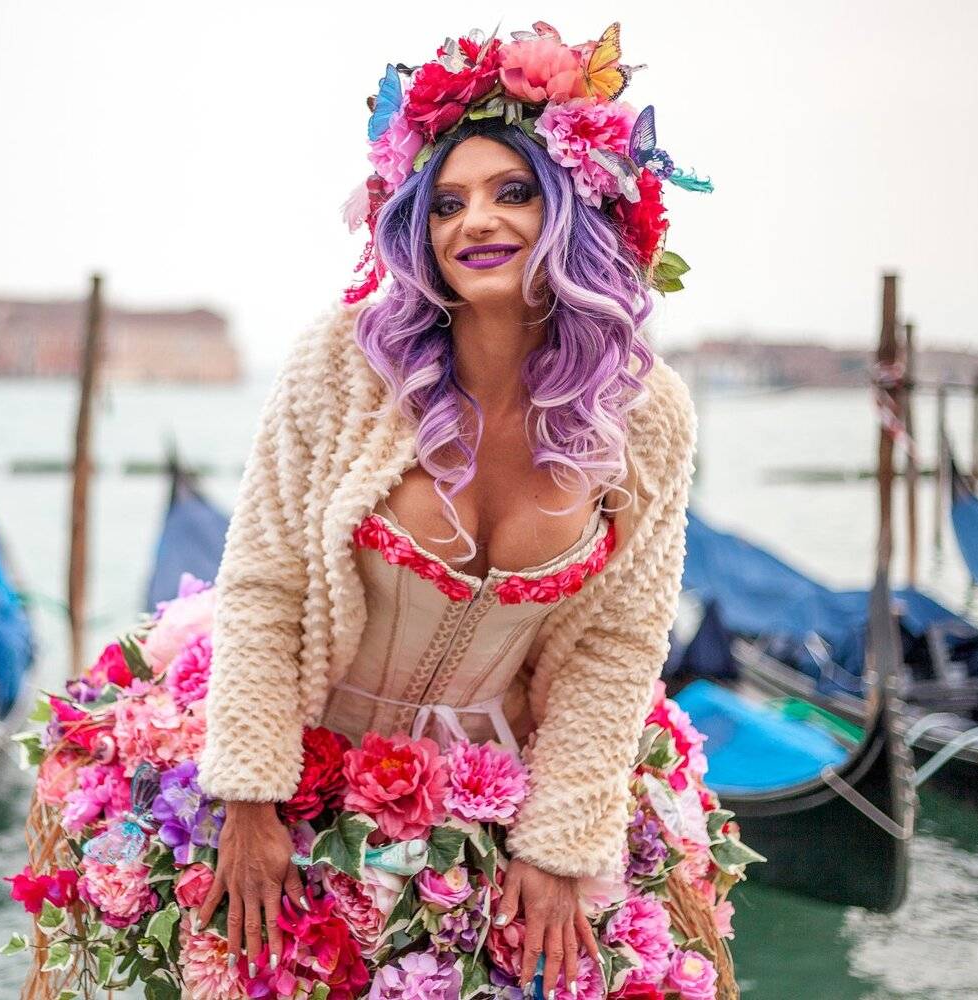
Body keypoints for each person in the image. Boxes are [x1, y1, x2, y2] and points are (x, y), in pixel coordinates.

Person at [195, 22, 712, 998]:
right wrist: (250, 799)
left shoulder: (649, 417)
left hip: (504, 796)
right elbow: (261, 584)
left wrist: (559, 843)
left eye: (512, 192)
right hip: (300, 769)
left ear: (572, 210)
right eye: (446, 203)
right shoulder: (342, 363)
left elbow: (618, 644)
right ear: (416, 231)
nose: (476, 219)